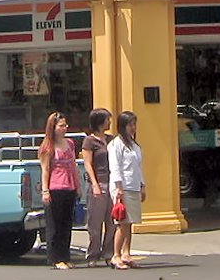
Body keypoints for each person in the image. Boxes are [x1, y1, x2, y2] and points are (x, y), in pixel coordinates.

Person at [38, 112, 78, 270]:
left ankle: (65, 256)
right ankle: (55, 258)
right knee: (54, 224)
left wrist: (77, 185)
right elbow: (45, 170)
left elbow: (73, 165)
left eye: (65, 125)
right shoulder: (48, 147)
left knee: (66, 224)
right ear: (53, 127)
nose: (64, 128)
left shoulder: (70, 143)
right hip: (55, 188)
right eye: (61, 126)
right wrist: (45, 190)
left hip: (69, 187)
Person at [107, 110, 144, 270]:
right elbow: (115, 167)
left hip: (134, 185)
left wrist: (142, 185)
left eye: (134, 124)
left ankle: (126, 253)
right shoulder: (116, 144)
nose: (133, 127)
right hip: (122, 187)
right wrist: (119, 187)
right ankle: (116, 255)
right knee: (122, 222)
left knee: (130, 222)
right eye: (130, 124)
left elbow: (137, 167)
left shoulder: (134, 145)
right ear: (123, 126)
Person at [80, 108, 114, 267]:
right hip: (98, 182)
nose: (109, 122)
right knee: (95, 221)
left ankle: (109, 253)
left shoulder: (111, 139)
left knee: (112, 220)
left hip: (112, 181)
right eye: (107, 119)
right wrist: (94, 184)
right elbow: (87, 163)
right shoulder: (89, 141)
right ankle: (93, 253)